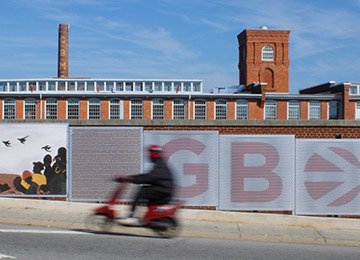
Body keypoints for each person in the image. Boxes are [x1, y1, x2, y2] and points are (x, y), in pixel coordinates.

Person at [115, 145, 174, 225]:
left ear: (153, 154)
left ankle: (131, 216)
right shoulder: (160, 164)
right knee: (145, 191)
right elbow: (147, 176)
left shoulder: (159, 166)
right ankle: (143, 217)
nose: (148, 156)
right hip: (164, 189)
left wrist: (131, 179)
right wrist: (130, 178)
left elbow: (149, 178)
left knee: (142, 191)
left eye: (150, 153)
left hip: (163, 190)